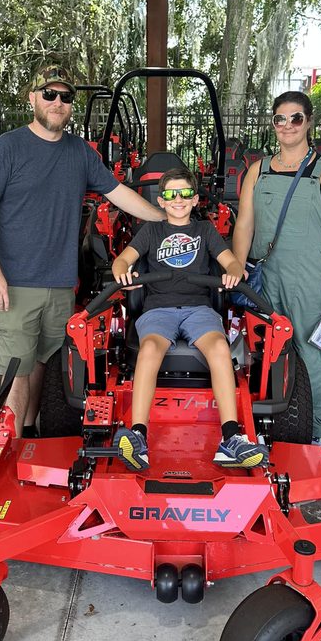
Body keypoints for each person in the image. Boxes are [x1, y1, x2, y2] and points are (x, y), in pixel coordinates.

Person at [0, 63, 165, 438]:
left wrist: (167, 217)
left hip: (61, 283)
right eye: (49, 94)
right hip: (16, 283)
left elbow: (118, 193)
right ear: (33, 99)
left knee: (43, 360)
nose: (57, 102)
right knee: (16, 369)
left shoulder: (80, 152)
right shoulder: (8, 147)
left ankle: (28, 434)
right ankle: (7, 451)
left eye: (65, 97)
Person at [111, 167, 269, 471]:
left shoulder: (204, 231)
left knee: (220, 349)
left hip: (199, 308)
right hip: (158, 309)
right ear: (162, 201)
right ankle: (139, 435)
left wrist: (233, 274)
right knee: (150, 350)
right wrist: (122, 271)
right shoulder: (151, 231)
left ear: (195, 199)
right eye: (171, 194)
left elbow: (231, 263)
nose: (178, 199)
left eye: (184, 193)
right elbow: (123, 259)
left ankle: (231, 438)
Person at [232, 91, 321, 446]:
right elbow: (244, 226)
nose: (287, 126)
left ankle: (317, 430)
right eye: (280, 119)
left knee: (306, 349)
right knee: (261, 347)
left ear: (309, 122)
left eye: (295, 118)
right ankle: (267, 422)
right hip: (265, 276)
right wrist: (237, 267)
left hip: (308, 277)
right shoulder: (259, 170)